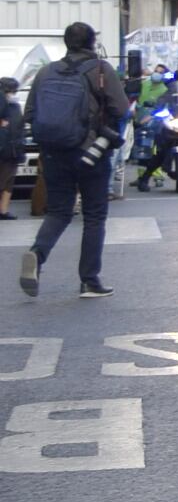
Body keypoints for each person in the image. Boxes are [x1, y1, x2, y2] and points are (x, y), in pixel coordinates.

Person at [21, 21, 131, 300]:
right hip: (91, 152)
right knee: (94, 215)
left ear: (66, 43)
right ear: (92, 43)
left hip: (53, 152)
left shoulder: (46, 71)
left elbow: (30, 112)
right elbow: (120, 109)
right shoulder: (101, 70)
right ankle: (89, 280)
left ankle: (37, 254)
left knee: (58, 212)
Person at [0, 75, 23, 222]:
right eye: (11, 91)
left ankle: (3, 210)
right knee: (4, 180)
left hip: (13, 148)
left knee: (9, 181)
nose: (13, 94)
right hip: (5, 148)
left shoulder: (15, 106)